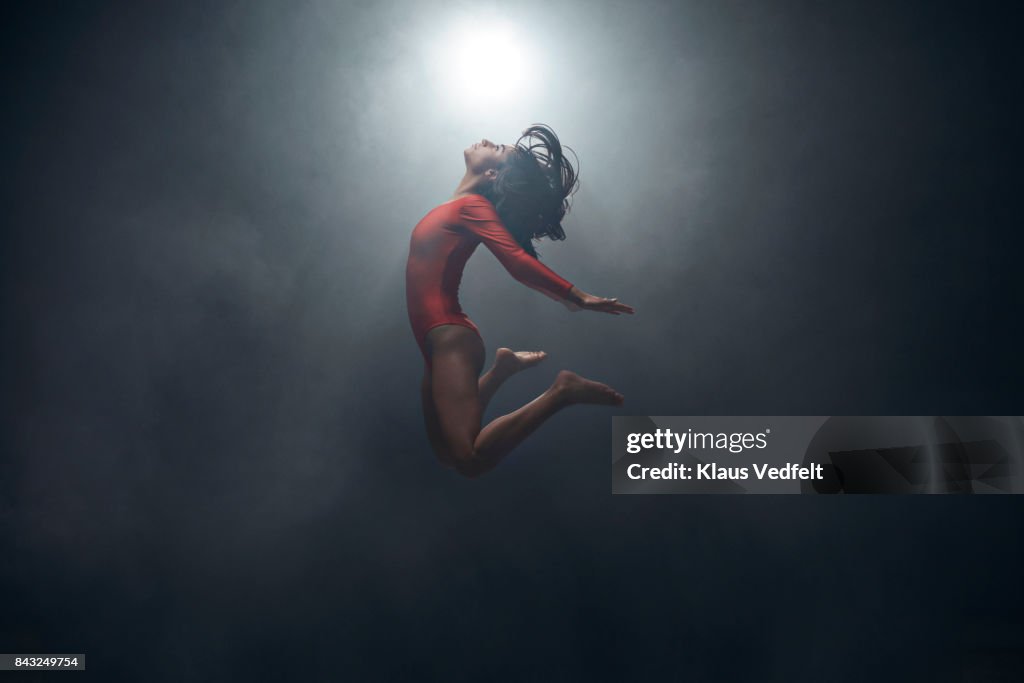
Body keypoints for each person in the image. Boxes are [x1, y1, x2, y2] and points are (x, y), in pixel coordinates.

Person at [406, 124, 635, 478]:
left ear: (492, 171)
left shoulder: (473, 207)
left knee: (469, 459)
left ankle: (562, 391)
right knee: (446, 454)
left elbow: (515, 259)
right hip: (433, 341)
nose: (486, 138)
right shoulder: (460, 206)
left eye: (497, 147)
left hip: (449, 337)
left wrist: (574, 296)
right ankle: (504, 369)